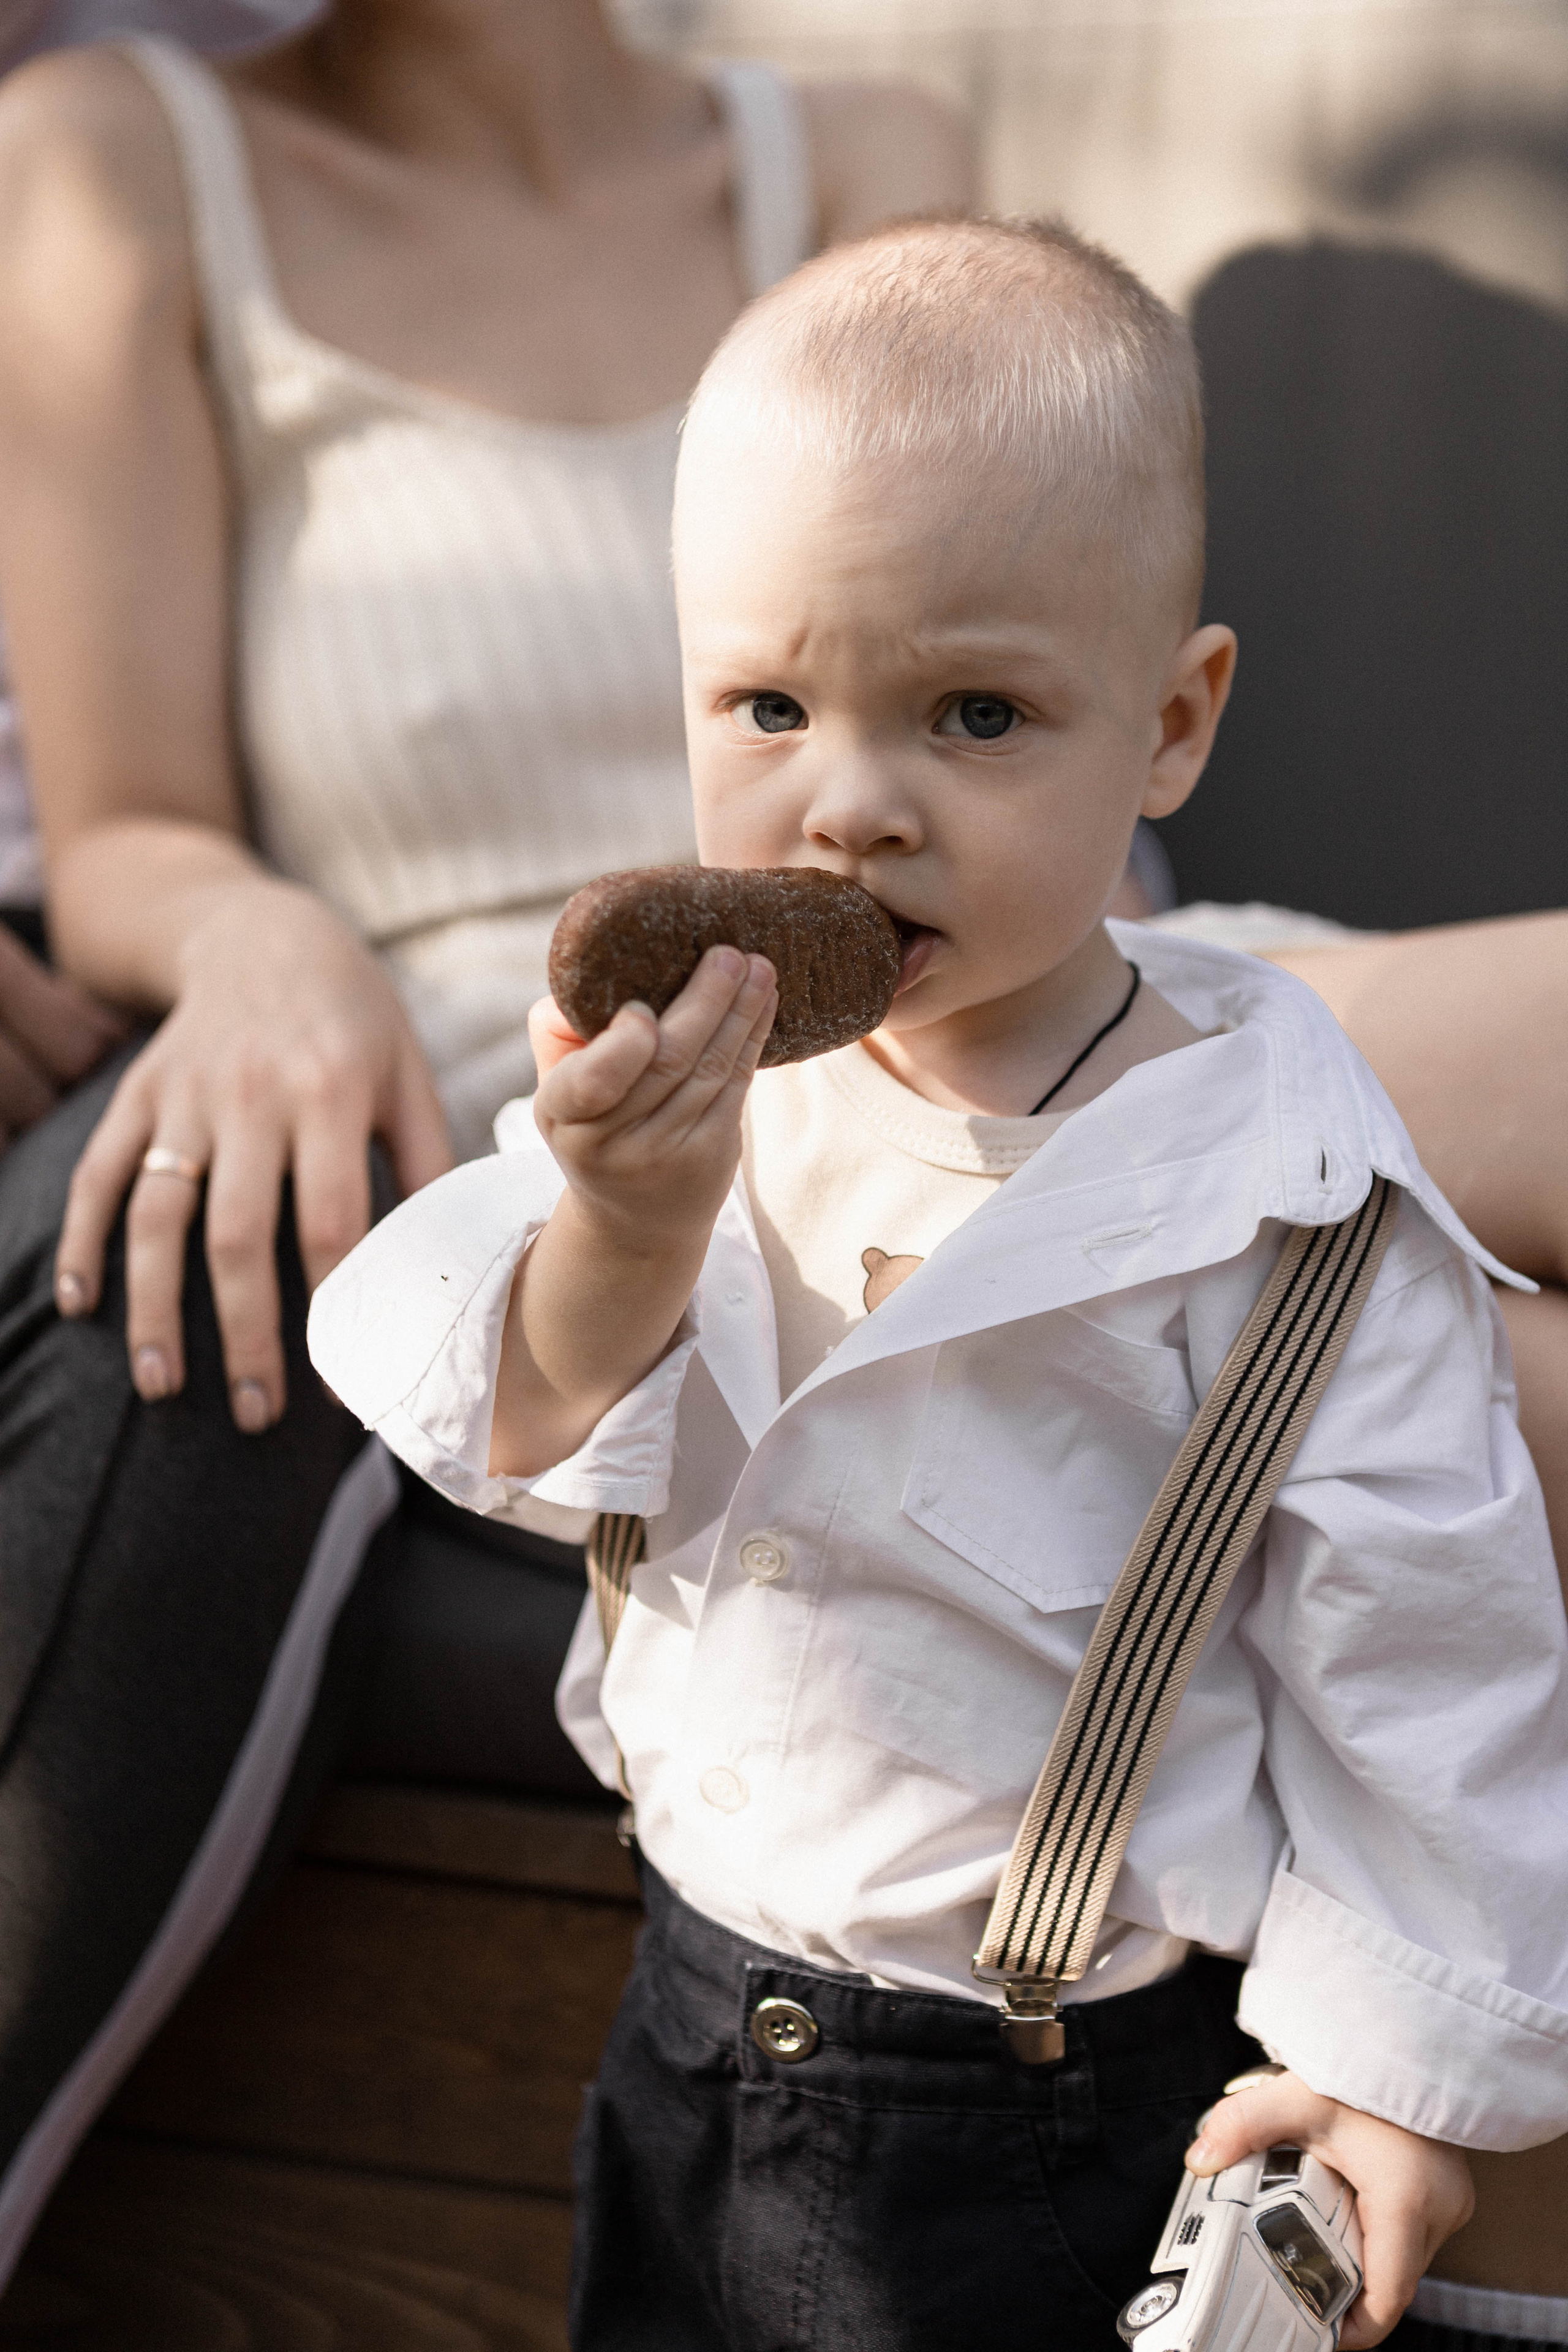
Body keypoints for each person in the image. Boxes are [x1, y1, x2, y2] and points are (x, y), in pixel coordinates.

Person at [310, 218, 1568, 2352]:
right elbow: (494, 1419)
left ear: (1170, 727)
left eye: (975, 714)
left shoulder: (1272, 1187)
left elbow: (1428, 1663)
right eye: (770, 705)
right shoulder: (700, 1096)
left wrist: (1401, 2093)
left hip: (1046, 2116)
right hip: (689, 2019)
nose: (853, 805)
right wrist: (624, 1222)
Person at [0, 0, 971, 2282]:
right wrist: (257, 943)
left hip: (940, 1049)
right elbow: (135, 816)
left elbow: (1021, 752)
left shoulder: (864, 153)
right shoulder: (114, 157)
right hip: (486, 1122)